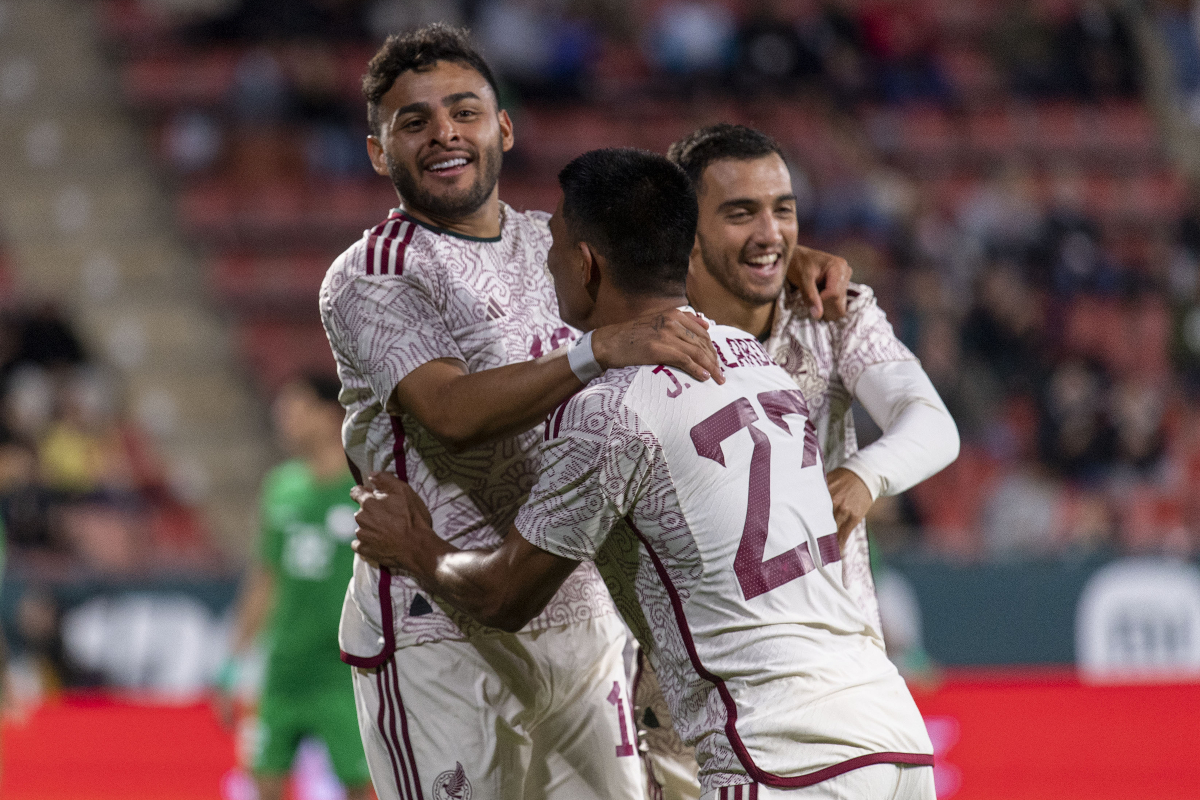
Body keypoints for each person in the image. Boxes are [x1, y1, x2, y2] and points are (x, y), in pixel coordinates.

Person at [319, 24, 849, 800]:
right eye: (413, 121)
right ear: (379, 152)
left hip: (578, 612)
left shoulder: (557, 242)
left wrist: (776, 259)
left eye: (463, 111)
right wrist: (597, 349)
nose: (443, 133)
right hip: (437, 629)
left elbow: (665, 260)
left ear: (503, 127)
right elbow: (453, 412)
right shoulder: (373, 272)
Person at [352, 147, 937, 800]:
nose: (545, 262)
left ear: (586, 263)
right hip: (894, 736)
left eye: (554, 244)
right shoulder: (759, 362)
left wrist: (414, 546)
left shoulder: (612, 408)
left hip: (778, 758)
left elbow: (505, 596)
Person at [633, 123, 960, 799]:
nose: (770, 232)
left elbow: (931, 424)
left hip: (840, 694)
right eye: (740, 212)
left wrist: (865, 475)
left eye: (783, 209)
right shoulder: (643, 349)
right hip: (692, 712)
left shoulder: (831, 314)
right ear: (684, 234)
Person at [218, 375, 371, 800]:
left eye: (296, 407)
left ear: (328, 414)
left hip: (344, 667)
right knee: (263, 780)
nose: (283, 418)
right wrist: (233, 662)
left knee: (359, 785)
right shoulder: (280, 488)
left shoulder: (364, 488)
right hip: (285, 667)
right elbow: (264, 578)